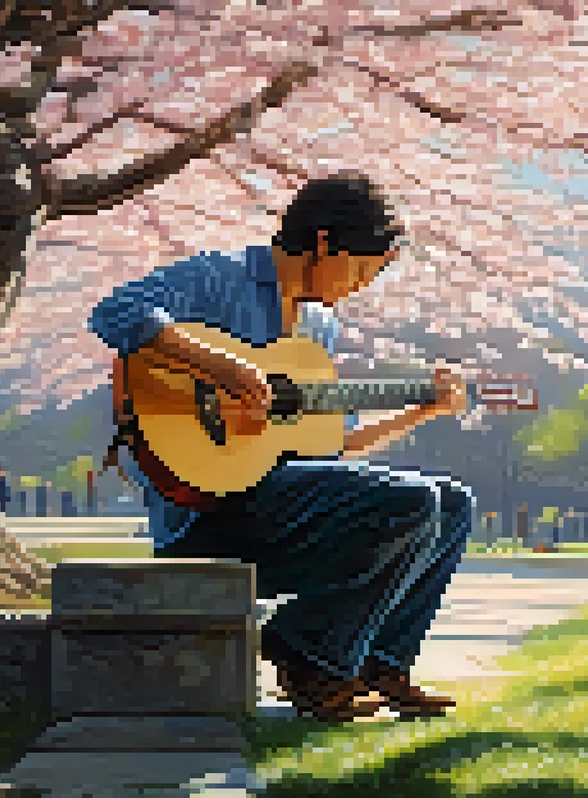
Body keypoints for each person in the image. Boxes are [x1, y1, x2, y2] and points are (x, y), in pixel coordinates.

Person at [87, 173, 472, 723]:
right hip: (205, 516)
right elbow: (116, 312)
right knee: (415, 500)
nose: (363, 285)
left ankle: (378, 664)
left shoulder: (318, 328)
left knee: (451, 502)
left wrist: (421, 410)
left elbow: (326, 451)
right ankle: (309, 654)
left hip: (280, 514)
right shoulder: (219, 278)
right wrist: (222, 366)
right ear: (322, 243)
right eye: (362, 268)